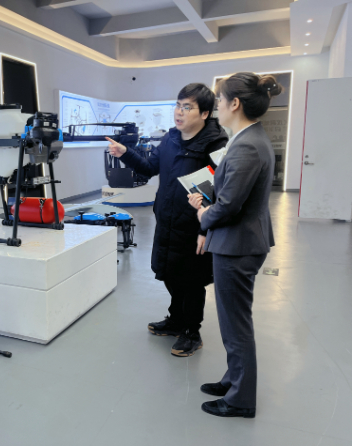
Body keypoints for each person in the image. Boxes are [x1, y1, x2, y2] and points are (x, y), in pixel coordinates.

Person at [107, 83, 228, 357]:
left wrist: (206, 228)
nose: (179, 112)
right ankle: (176, 320)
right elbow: (150, 168)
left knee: (192, 280)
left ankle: (191, 331)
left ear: (205, 113)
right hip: (167, 218)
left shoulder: (215, 145)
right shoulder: (171, 138)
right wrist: (125, 153)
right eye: (178, 105)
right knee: (170, 272)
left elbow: (221, 191)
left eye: (187, 107)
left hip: (195, 224)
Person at [188, 72, 282, 418]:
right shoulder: (249, 138)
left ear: (235, 103)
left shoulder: (246, 145)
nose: (217, 107)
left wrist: (204, 215)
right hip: (240, 241)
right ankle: (233, 380)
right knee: (232, 321)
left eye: (219, 100)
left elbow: (229, 206)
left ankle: (241, 399)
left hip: (237, 245)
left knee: (236, 324)